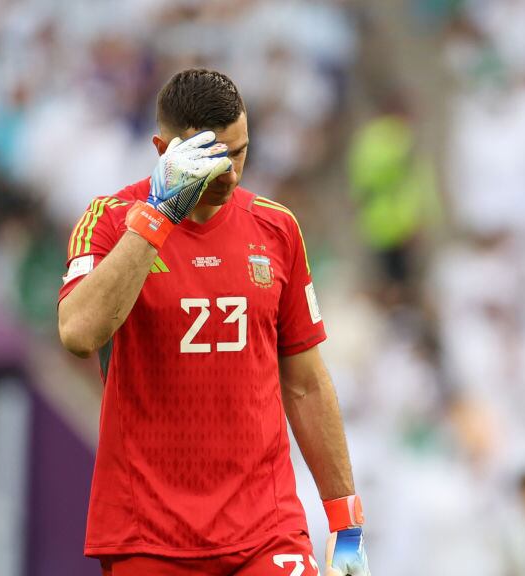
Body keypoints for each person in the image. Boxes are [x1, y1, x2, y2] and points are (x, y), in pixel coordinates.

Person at [57, 69, 371, 576]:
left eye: (240, 153)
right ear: (164, 150)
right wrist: (159, 216)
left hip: (265, 529)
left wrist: (346, 523)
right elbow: (78, 333)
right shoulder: (109, 221)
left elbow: (306, 384)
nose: (230, 174)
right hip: (149, 535)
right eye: (212, 158)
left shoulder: (276, 228)